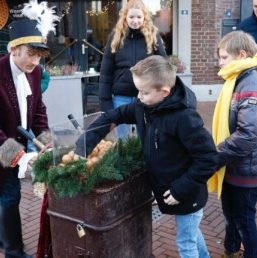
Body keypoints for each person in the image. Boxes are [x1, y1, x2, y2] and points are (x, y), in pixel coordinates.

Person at [75, 55, 218, 257]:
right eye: (138, 91)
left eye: (144, 92)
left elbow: (208, 158)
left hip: (187, 192)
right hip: (169, 189)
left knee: (186, 242)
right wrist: (83, 146)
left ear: (165, 92)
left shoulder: (185, 118)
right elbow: (112, 117)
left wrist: (180, 190)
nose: (139, 97)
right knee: (191, 235)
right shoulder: (144, 106)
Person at [0, 1, 59, 255]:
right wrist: (17, 154)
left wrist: (45, 141)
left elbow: (38, 110)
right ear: (14, 49)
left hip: (23, 140)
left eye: (39, 54)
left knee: (11, 195)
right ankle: (13, 251)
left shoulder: (34, 72)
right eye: (30, 53)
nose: (35, 60)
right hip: (3, 144)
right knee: (9, 195)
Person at [208, 30, 257, 258]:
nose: (220, 63)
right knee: (231, 214)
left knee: (243, 220)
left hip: (246, 169)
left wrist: (215, 156)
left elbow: (248, 134)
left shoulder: (250, 82)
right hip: (235, 164)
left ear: (241, 54)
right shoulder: (238, 79)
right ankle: (231, 251)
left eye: (224, 58)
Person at [99, 0, 167, 139]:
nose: (135, 21)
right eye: (131, 17)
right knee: (123, 141)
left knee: (147, 139)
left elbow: (163, 67)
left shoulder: (153, 36)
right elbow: (106, 73)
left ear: (144, 18)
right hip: (121, 98)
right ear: (125, 17)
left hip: (147, 97)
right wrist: (106, 104)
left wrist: (163, 95)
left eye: (138, 17)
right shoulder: (116, 37)